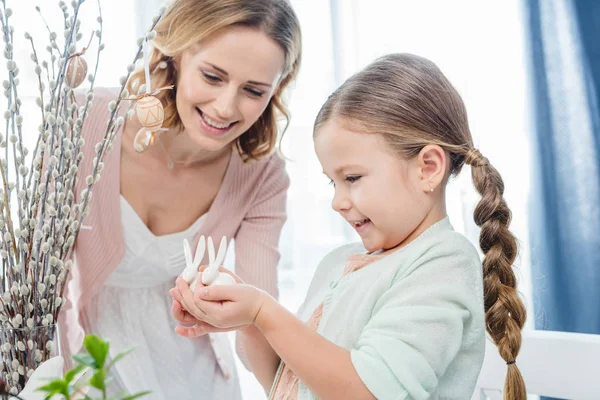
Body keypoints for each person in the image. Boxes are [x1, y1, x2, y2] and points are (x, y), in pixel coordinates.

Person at [170, 53, 528, 399]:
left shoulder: (442, 264)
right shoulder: (337, 264)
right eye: (332, 182)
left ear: (428, 168)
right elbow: (286, 385)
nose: (337, 201)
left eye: (352, 177)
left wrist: (265, 311)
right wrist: (248, 320)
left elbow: (369, 392)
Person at [57, 0, 302, 399]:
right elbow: (37, 277)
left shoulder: (262, 174)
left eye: (253, 90)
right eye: (212, 76)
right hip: (77, 352)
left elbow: (260, 312)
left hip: (188, 365)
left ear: (276, 89)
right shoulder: (82, 120)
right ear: (175, 56)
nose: (225, 108)